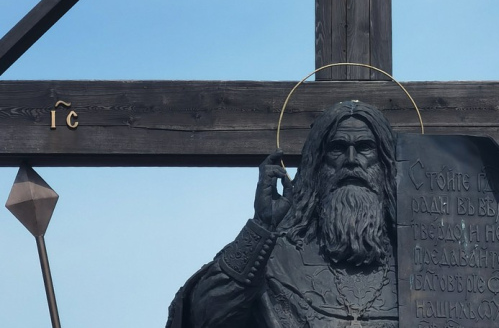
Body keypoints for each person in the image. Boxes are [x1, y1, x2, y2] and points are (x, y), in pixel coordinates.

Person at [167, 101, 399, 328]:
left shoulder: (412, 258)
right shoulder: (271, 257)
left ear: (386, 165)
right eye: (337, 148)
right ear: (316, 166)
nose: (351, 160)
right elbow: (204, 316)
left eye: (365, 147)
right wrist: (262, 226)